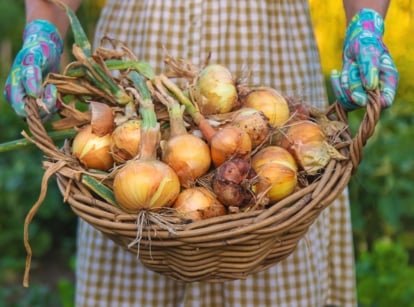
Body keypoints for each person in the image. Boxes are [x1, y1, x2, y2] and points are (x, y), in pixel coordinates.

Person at [4, 0, 398, 306]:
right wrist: (42, 32)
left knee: (280, 185)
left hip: (271, 81)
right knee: (136, 204)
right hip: (140, 85)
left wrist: (365, 26)